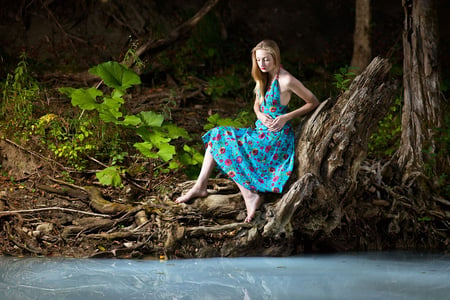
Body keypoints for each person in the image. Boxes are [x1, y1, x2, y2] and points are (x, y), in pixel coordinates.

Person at [175, 39, 319, 222]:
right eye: (259, 60)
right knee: (217, 137)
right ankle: (200, 186)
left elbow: (313, 101)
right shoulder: (262, 78)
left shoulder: (286, 79)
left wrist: (286, 117)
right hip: (259, 133)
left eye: (266, 59)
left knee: (222, 139)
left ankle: (249, 196)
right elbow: (256, 104)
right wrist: (258, 113)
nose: (262, 64)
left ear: (275, 57)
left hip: (275, 139)